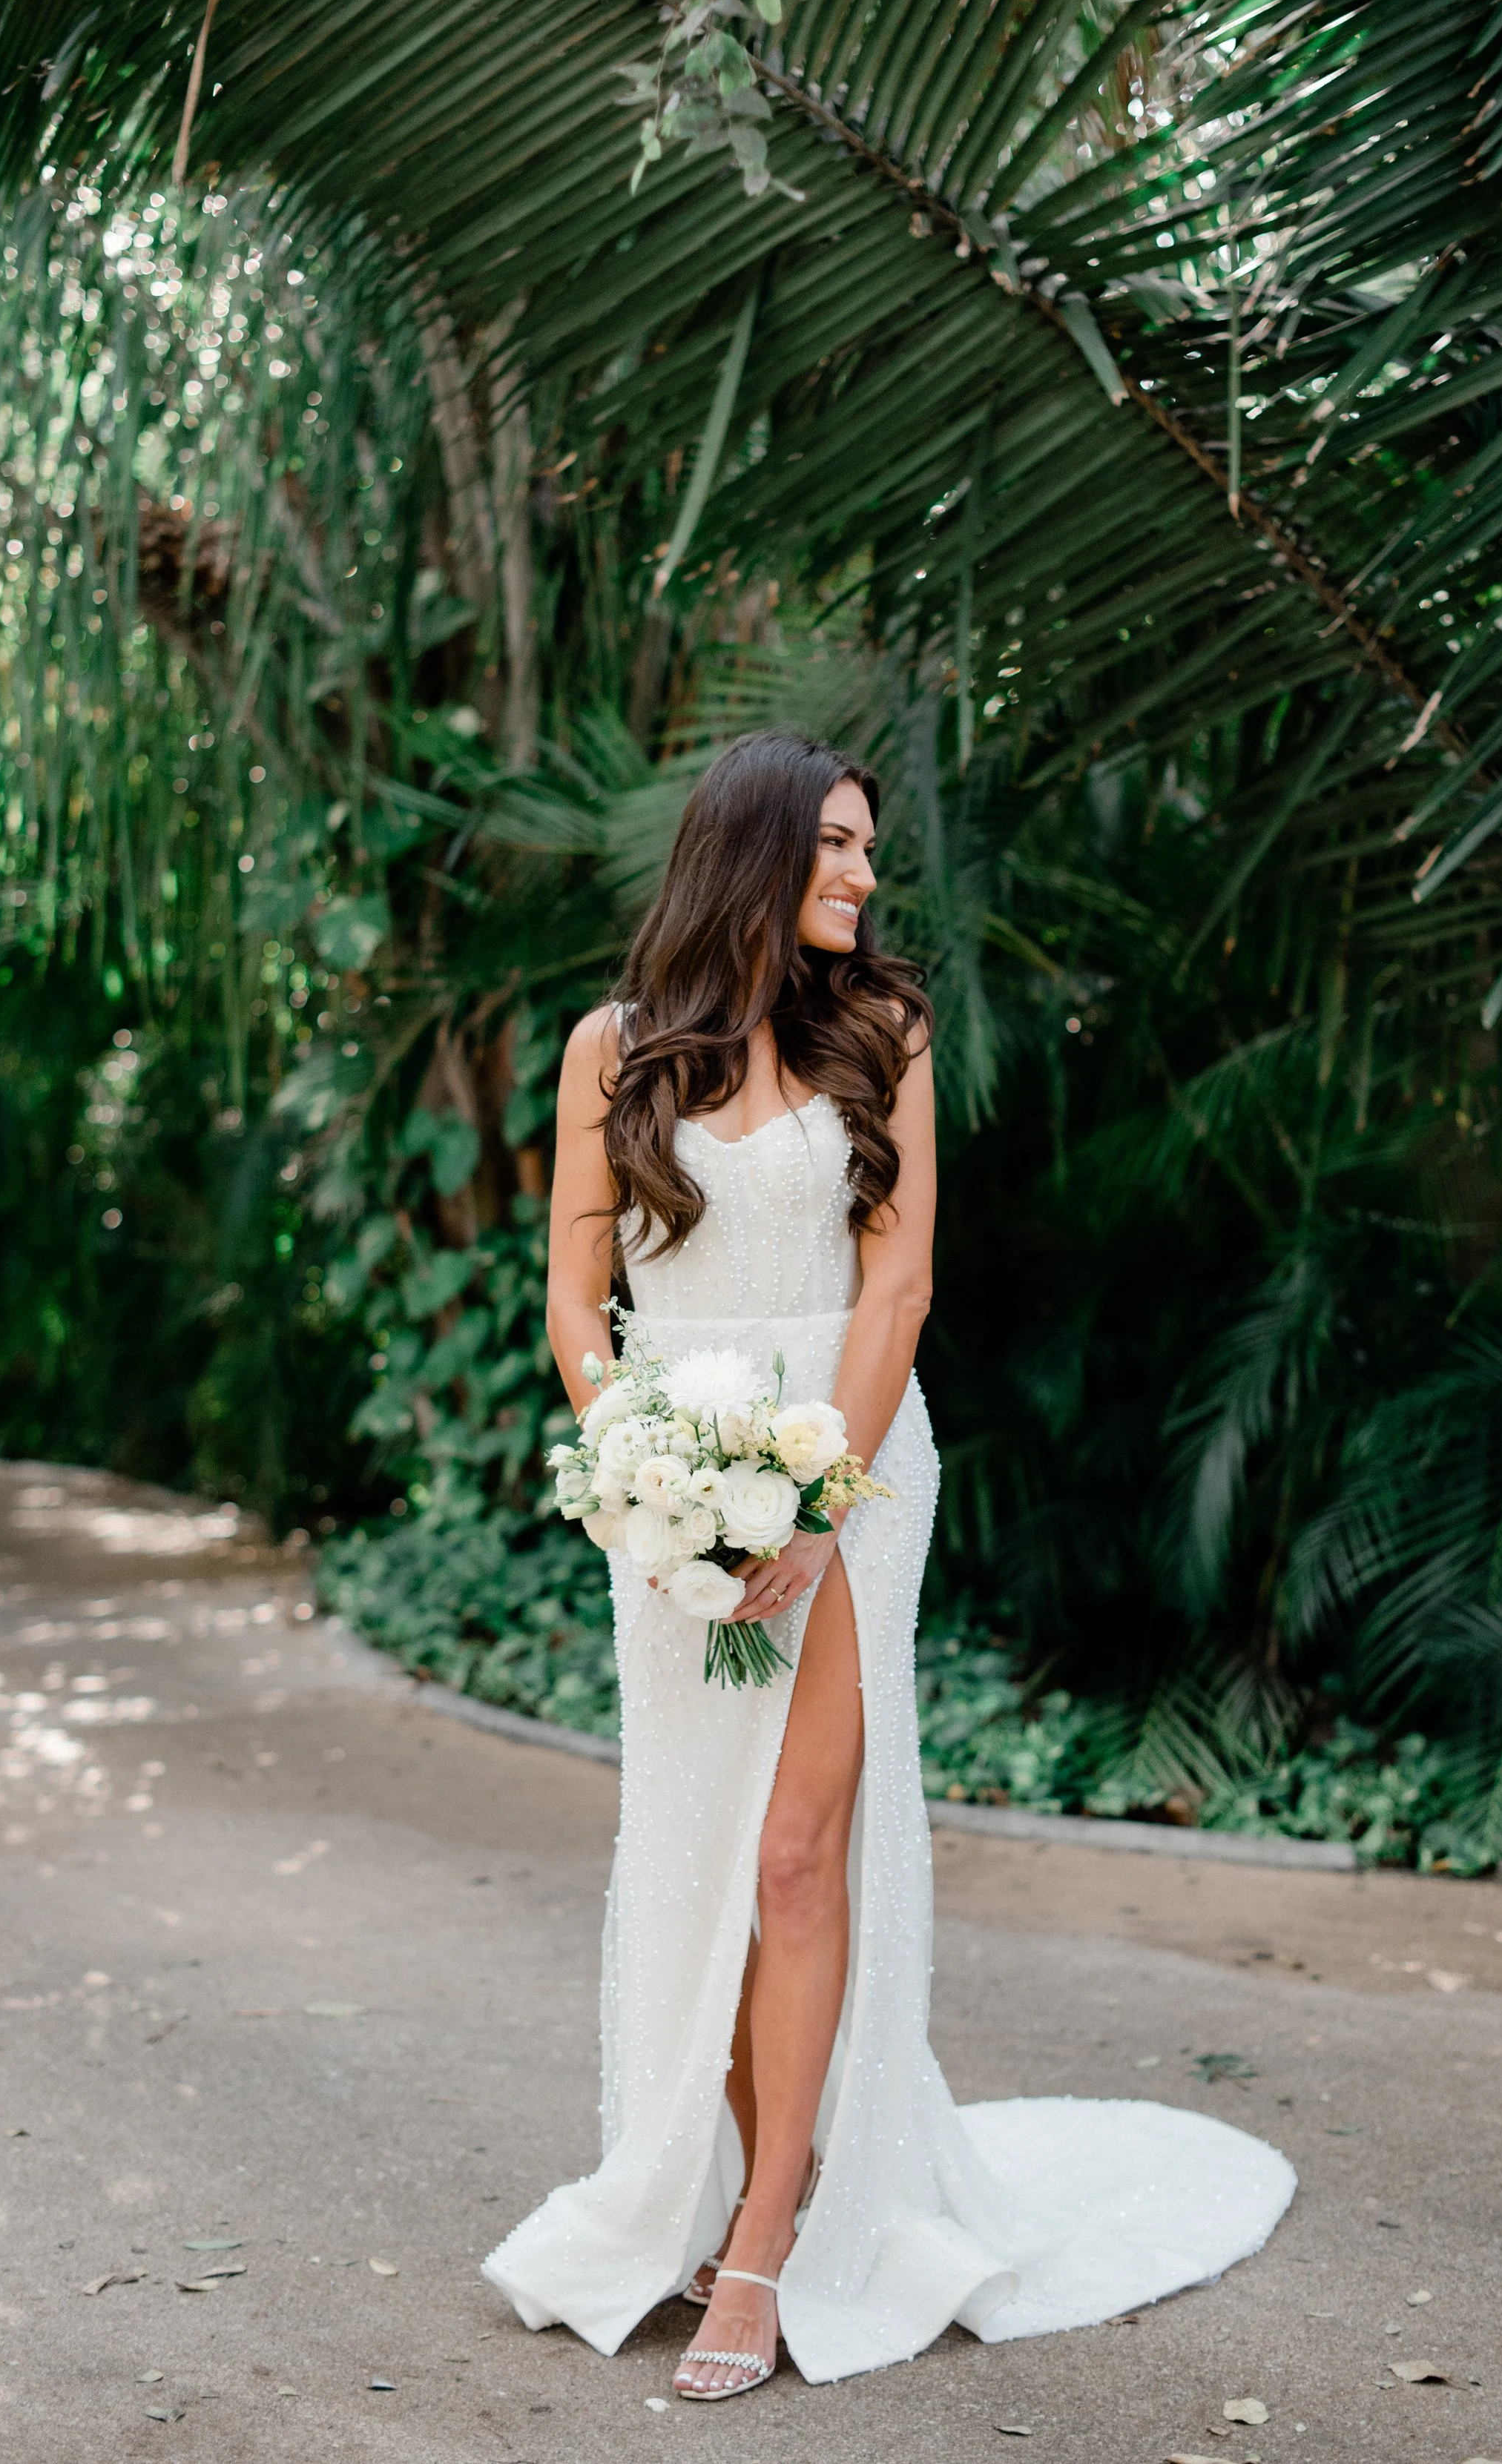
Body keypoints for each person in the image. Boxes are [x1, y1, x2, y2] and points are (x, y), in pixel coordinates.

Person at [482, 733, 1294, 2397]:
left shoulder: (885, 1037)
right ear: (755, 850)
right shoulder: (609, 1051)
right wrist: (647, 1473)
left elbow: (898, 1289)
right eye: (838, 847)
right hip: (672, 1486)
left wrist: (809, 1501)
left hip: (848, 1472)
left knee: (794, 1854)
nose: (862, 875)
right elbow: (575, 1298)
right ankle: (720, 2183)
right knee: (699, 1856)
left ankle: (769, 2237)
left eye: (867, 851)